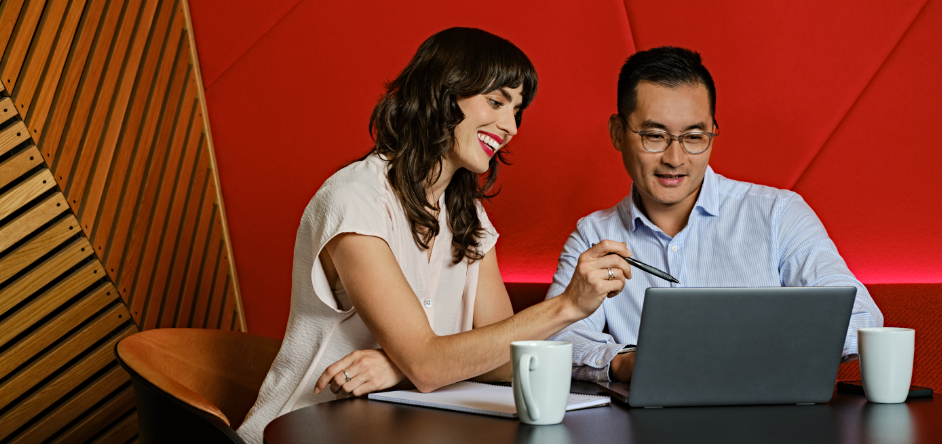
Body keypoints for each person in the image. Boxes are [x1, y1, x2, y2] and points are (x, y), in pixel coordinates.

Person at [238, 27, 634, 443]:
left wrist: (399, 367)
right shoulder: (355, 199)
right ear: (442, 94)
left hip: (403, 432)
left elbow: (503, 362)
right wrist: (568, 305)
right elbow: (427, 365)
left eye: (516, 111)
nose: (510, 127)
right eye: (496, 102)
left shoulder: (471, 219)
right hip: (302, 431)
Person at [546, 46, 882, 383]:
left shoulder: (778, 213)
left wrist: (748, 350)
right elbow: (557, 338)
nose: (675, 159)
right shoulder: (593, 236)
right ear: (618, 133)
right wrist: (625, 362)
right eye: (655, 136)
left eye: (694, 137)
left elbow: (860, 317)